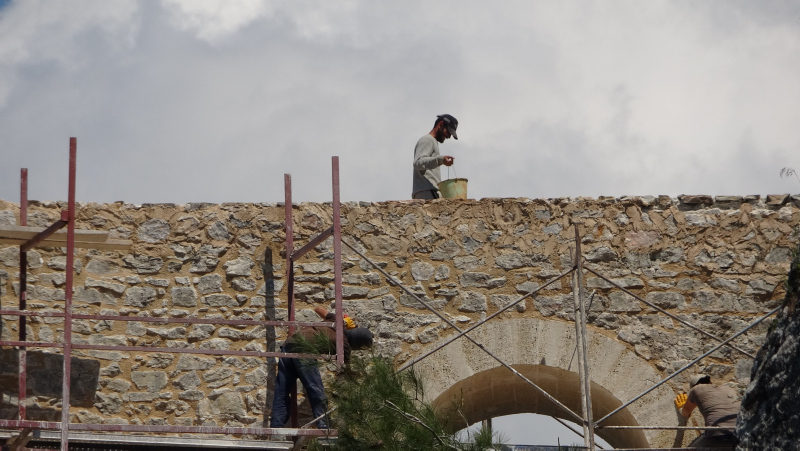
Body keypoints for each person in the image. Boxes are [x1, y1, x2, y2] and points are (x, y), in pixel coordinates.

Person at [269, 308, 373, 430]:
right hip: (304, 350)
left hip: (289, 345)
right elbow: (346, 370)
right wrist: (360, 376)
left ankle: (276, 427)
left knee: (282, 389)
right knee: (316, 389)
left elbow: (317, 308)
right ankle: (324, 426)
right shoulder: (344, 345)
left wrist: (343, 320)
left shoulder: (337, 321)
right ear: (356, 344)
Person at [675, 374, 740, 449]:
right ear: (710, 382)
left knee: (691, 449)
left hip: (717, 436)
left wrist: (682, 407)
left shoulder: (695, 389)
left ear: (693, 386)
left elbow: (685, 413)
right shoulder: (728, 389)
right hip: (740, 433)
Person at [412, 114, 459, 199]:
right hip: (428, 190)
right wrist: (441, 160)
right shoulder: (427, 140)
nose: (449, 136)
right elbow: (418, 162)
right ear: (440, 124)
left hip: (427, 191)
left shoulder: (432, 141)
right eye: (448, 131)